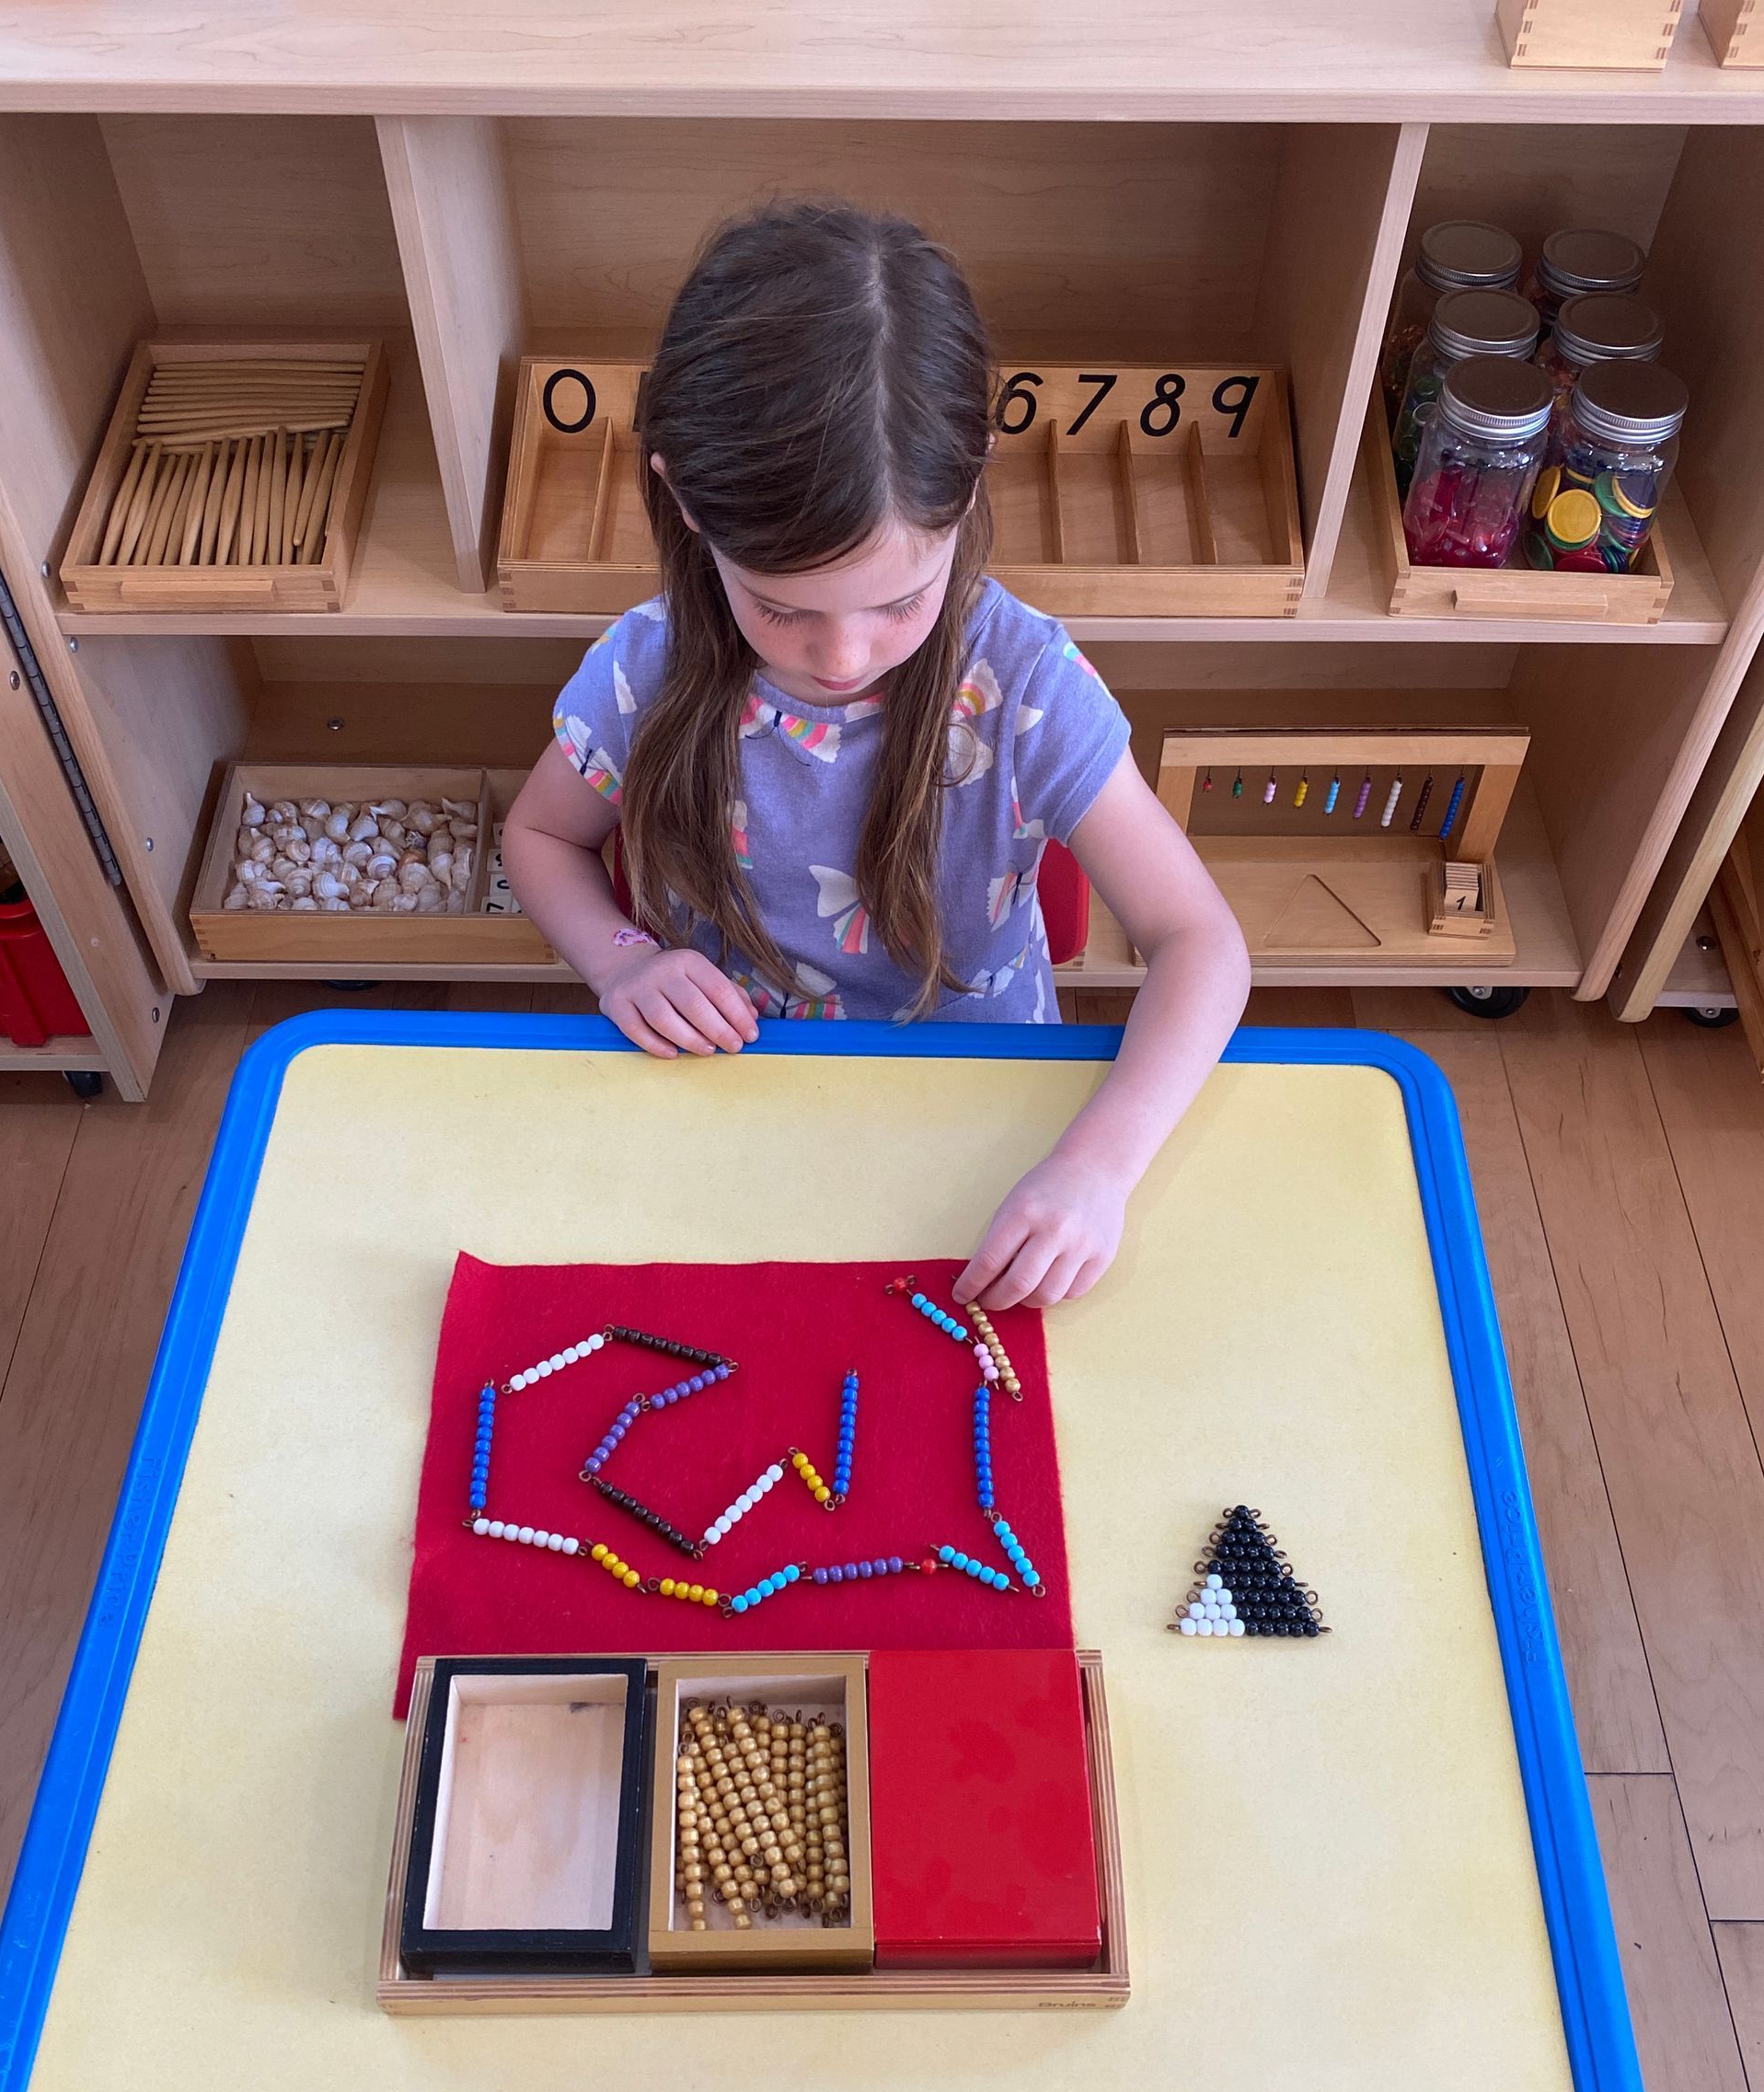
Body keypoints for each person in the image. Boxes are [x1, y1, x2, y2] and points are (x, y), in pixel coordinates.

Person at [503, 202, 1249, 1311]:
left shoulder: (1025, 686)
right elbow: (540, 833)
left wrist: (1099, 1165)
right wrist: (619, 960)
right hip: (727, 1095)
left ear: (969, 488)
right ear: (685, 500)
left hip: (984, 1129)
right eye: (780, 606)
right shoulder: (648, 665)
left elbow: (1201, 943)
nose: (844, 656)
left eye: (901, 599)